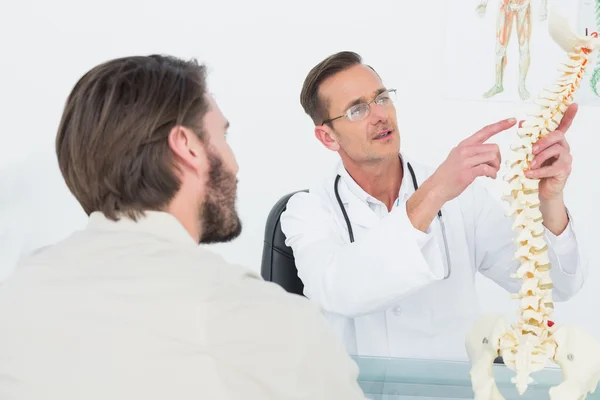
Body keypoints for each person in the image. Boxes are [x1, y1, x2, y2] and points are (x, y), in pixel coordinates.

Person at [0, 55, 366, 400]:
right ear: (187, 147)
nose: (235, 165)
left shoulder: (18, 293)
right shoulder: (264, 321)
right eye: (222, 137)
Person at [280, 51, 586, 361]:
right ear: (328, 137)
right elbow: (339, 292)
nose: (380, 115)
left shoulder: (464, 196)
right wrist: (436, 192)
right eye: (357, 110)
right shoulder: (308, 211)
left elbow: (555, 288)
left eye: (382, 98)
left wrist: (549, 199)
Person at [476, 0, 548, 100]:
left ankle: (522, 85)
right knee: (500, 47)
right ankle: (498, 84)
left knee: (524, 47)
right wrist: (483, 3)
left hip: (524, 4)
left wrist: (544, 6)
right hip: (505, 5)